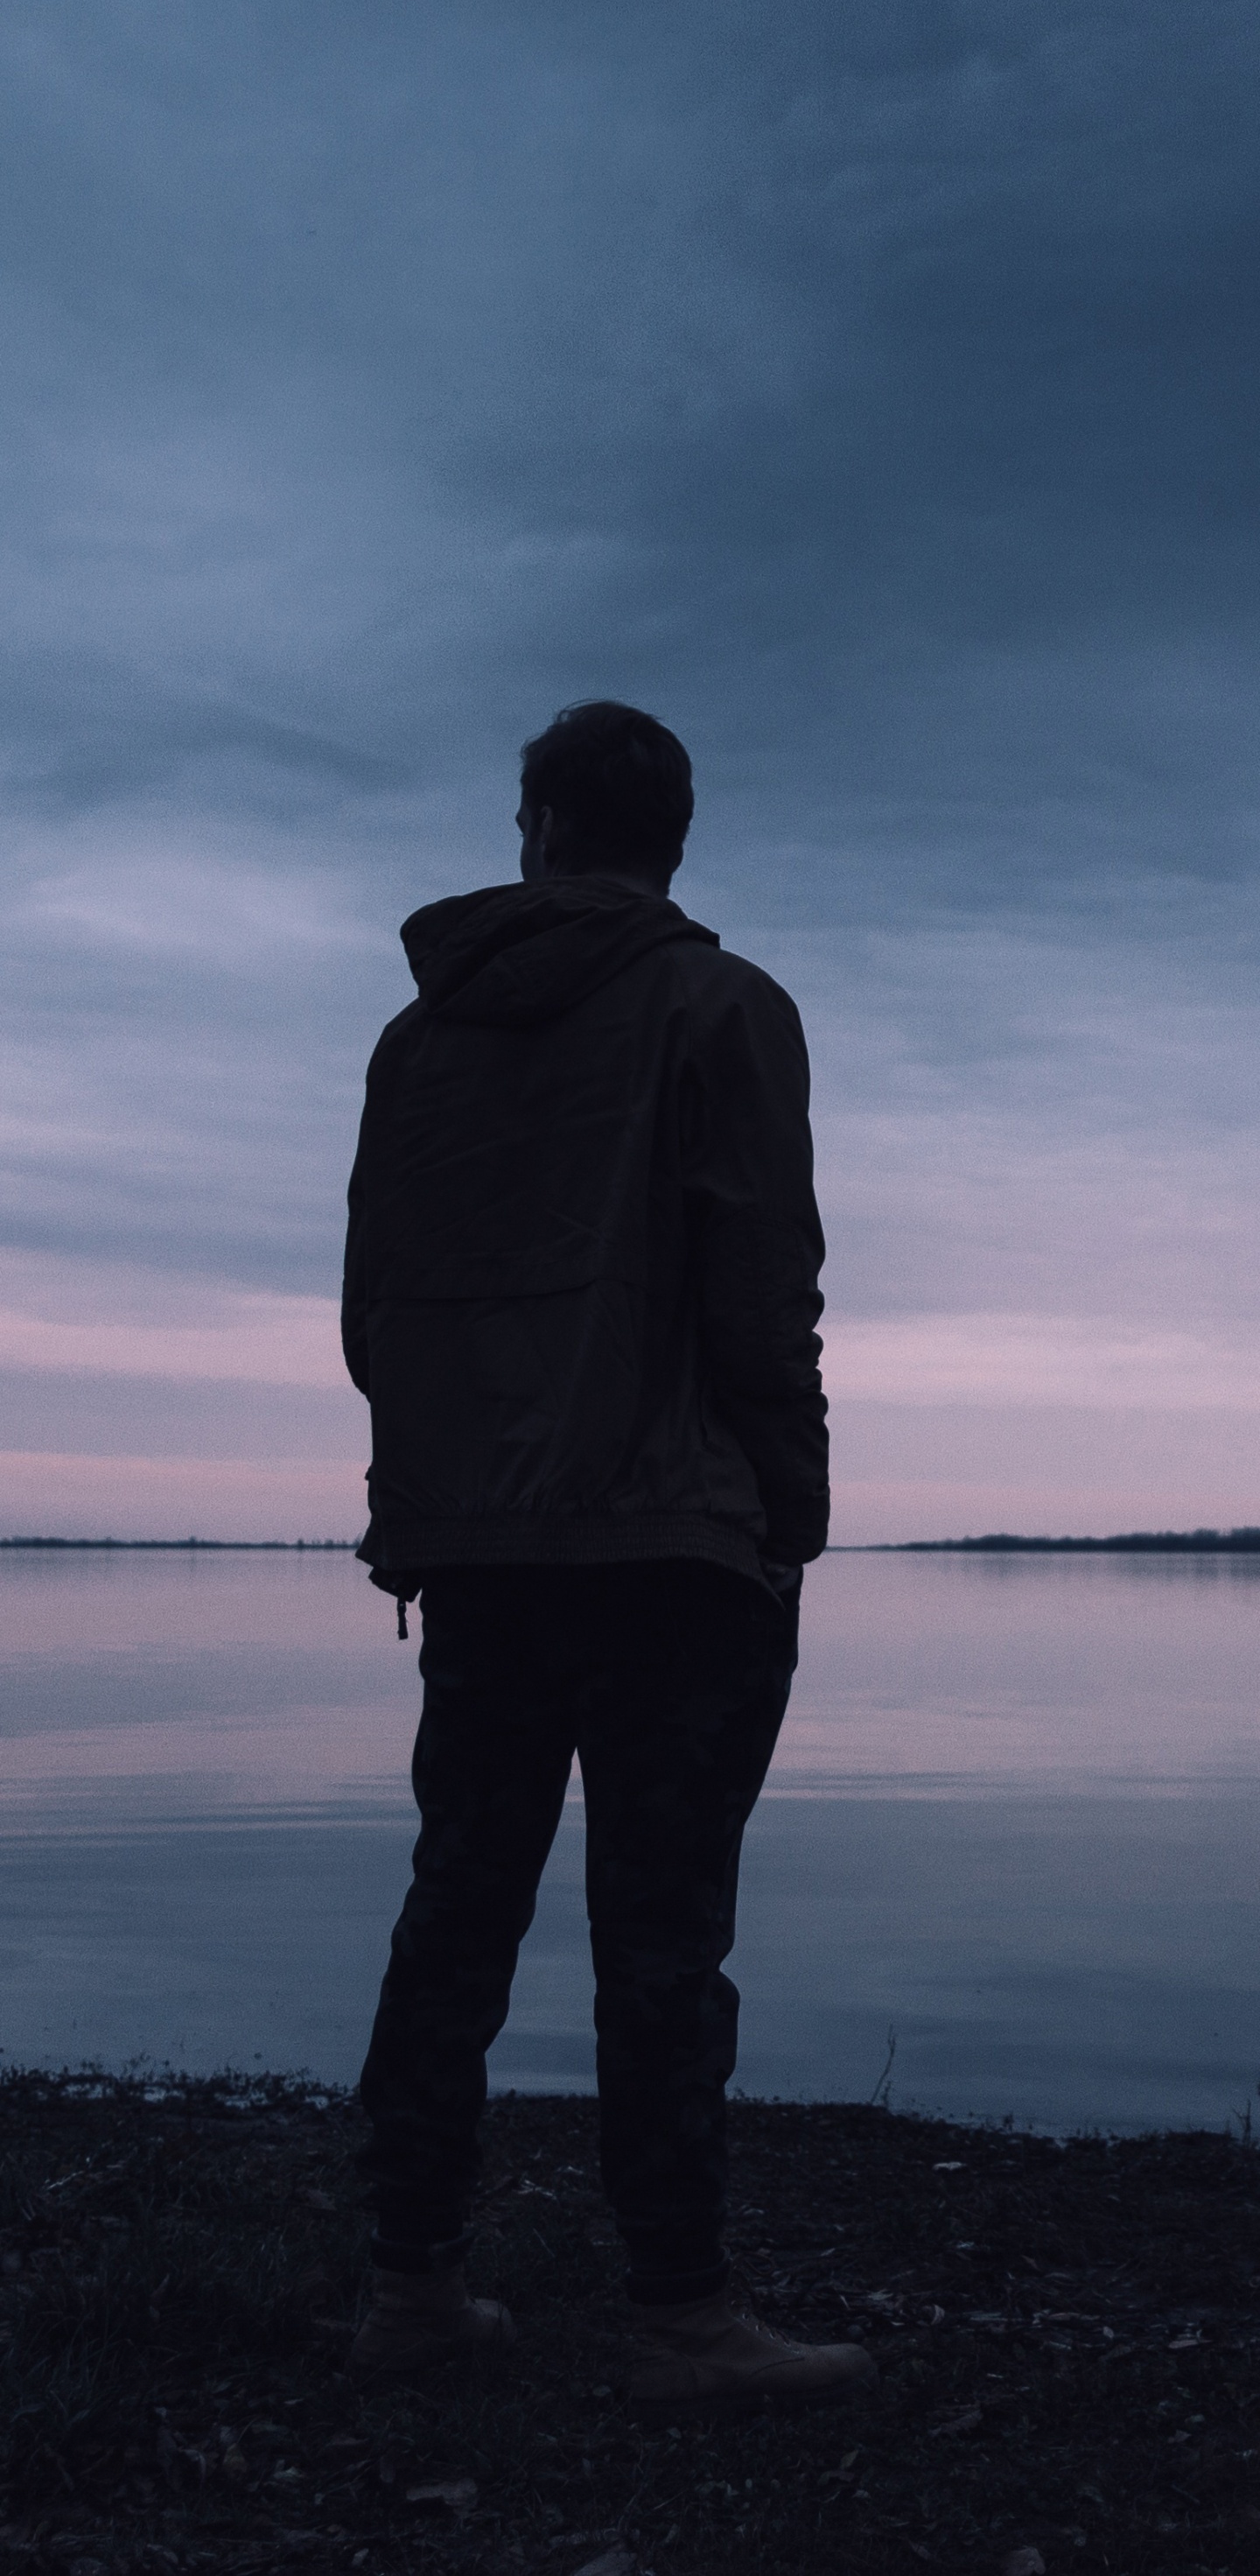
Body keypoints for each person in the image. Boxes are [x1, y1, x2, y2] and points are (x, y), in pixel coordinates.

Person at [340, 699, 874, 2412]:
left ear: (542, 830)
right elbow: (759, 1294)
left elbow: (373, 1316)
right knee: (660, 1937)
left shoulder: (418, 1047)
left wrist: (438, 1496)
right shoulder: (723, 1008)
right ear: (672, 837)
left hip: (481, 1545)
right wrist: (788, 1510)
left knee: (456, 1910)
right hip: (668, 1547)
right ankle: (678, 2309)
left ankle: (410, 2280)